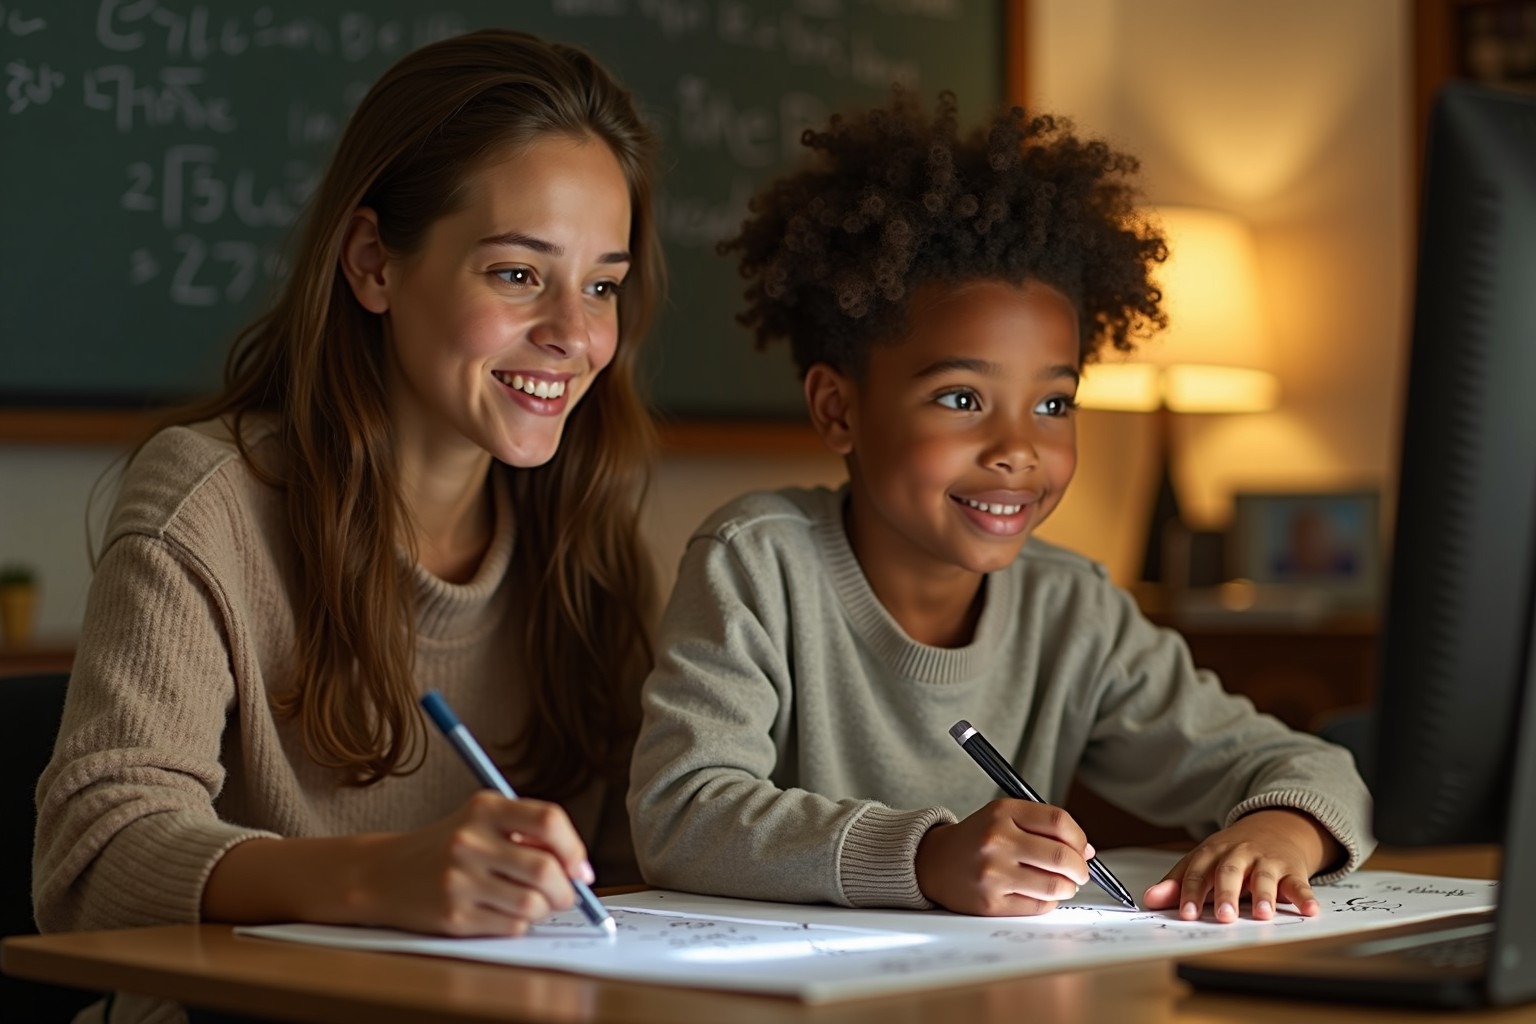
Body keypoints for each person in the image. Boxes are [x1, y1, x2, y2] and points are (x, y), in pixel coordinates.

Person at [34, 28, 661, 1020]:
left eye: (602, 286)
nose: (574, 335)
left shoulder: (588, 529)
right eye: (516, 274)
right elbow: (92, 858)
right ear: (373, 263)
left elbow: (633, 870)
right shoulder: (211, 500)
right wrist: (380, 876)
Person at [628, 91, 1373, 924]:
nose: (1018, 448)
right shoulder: (757, 561)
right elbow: (681, 812)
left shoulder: (1072, 607)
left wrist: (1279, 832)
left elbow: (1309, 767)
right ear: (838, 409)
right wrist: (923, 856)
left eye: (1053, 405)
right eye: (961, 398)